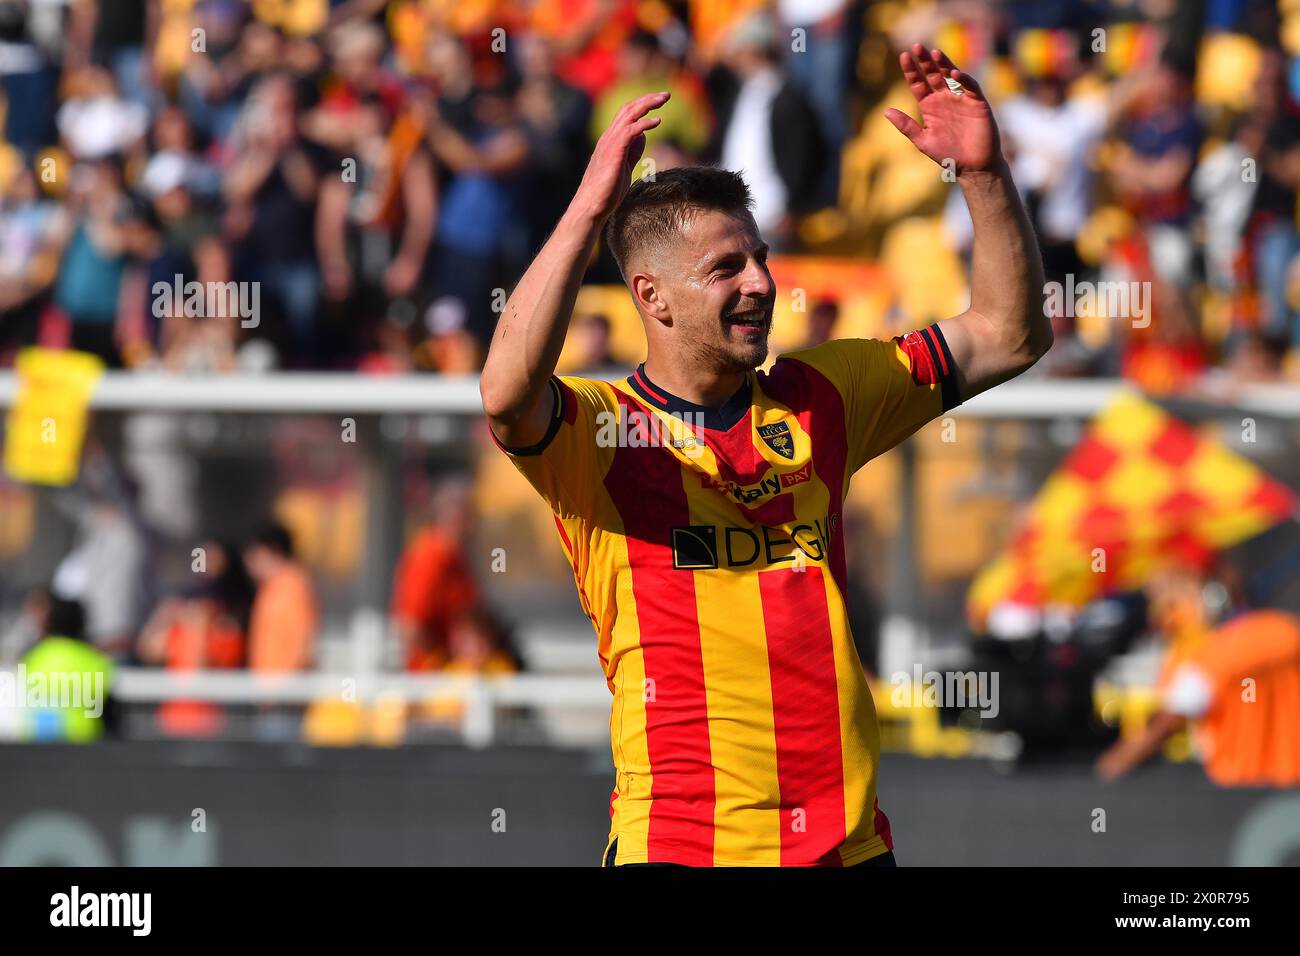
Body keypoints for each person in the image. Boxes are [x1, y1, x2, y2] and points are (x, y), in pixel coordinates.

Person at [480, 45, 1050, 866]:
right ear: (652, 297)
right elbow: (504, 394)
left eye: (760, 258)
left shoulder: (825, 395)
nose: (759, 282)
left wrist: (985, 177)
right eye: (725, 268)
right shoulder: (598, 432)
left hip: (847, 850)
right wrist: (584, 214)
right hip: (682, 848)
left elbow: (1009, 334)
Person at [243, 522, 318, 673]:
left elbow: (303, 640)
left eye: (255, 553)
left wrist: (287, 685)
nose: (249, 561)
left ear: (273, 550)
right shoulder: (271, 586)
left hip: (284, 686)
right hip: (270, 683)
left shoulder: (292, 586)